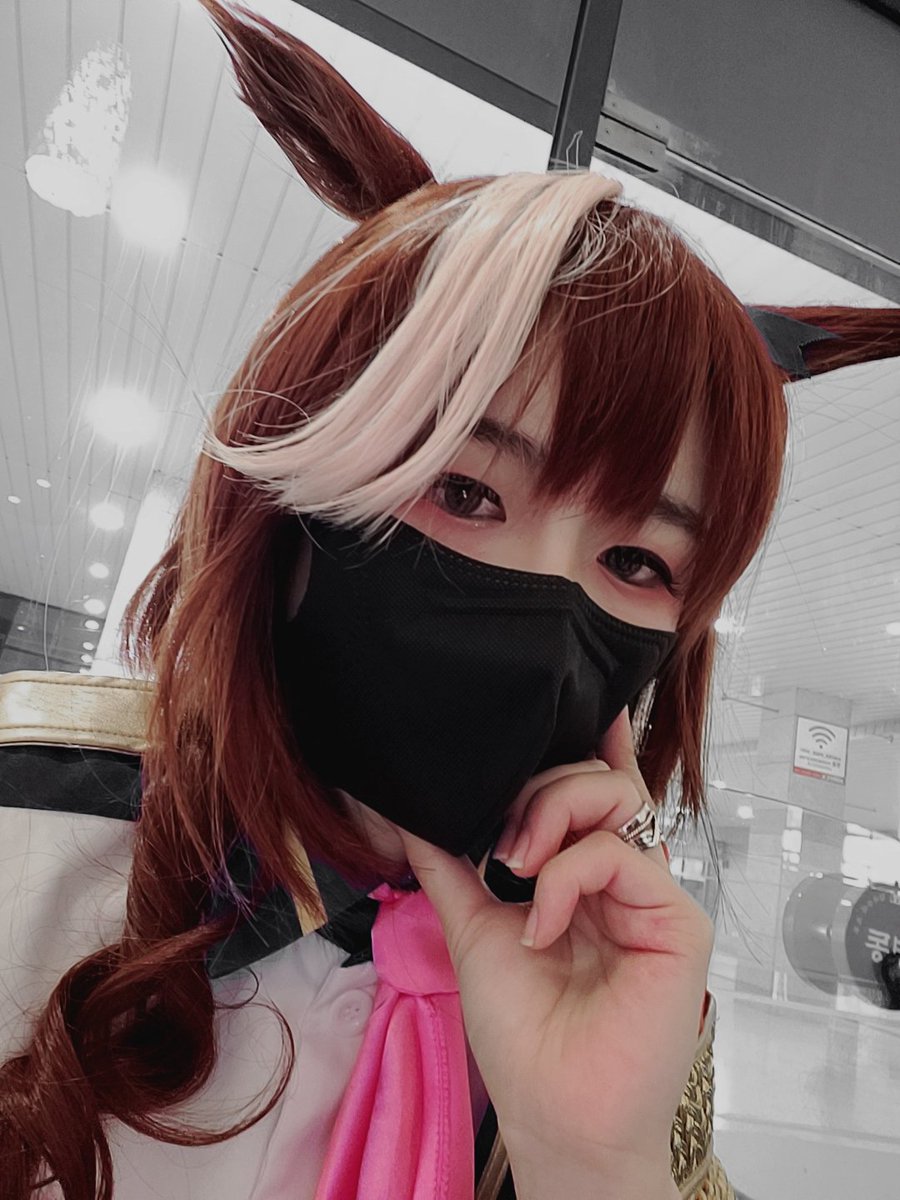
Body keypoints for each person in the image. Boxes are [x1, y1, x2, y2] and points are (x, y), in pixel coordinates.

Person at [1, 2, 898, 1198]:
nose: (540, 616)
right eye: (465, 490)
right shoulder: (31, 821)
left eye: (637, 565)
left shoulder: (617, 972)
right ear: (295, 495)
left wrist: (595, 1161)